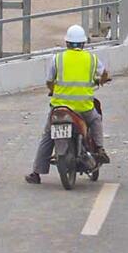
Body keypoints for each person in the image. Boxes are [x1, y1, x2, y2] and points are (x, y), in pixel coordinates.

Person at [27, 24, 109, 183]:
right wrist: (101, 81)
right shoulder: (91, 59)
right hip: (83, 108)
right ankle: (100, 149)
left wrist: (53, 90)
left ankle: (36, 173)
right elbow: (104, 73)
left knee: (48, 135)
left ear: (67, 43)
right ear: (83, 43)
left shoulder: (57, 59)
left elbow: (49, 81)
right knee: (95, 120)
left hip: (60, 109)